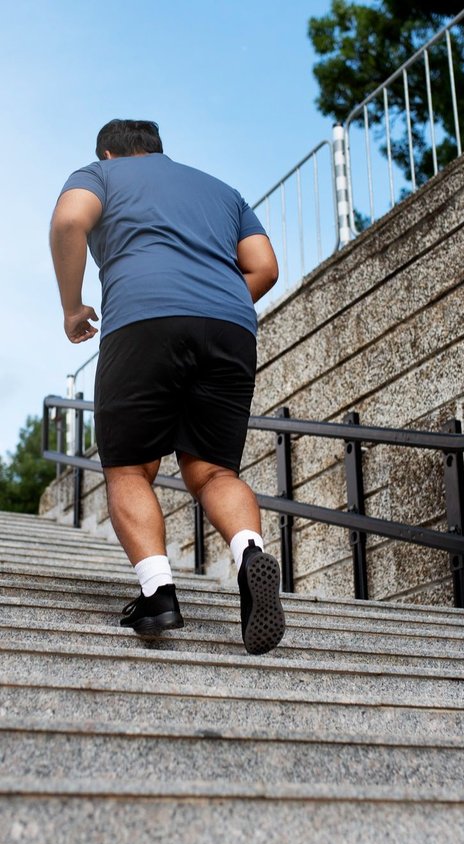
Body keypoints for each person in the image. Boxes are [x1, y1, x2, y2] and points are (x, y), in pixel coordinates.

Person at [50, 118, 285, 655]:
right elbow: (266, 268)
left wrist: (72, 309)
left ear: (109, 153)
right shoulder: (223, 193)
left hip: (142, 319)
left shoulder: (100, 175)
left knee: (130, 467)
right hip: (229, 326)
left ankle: (159, 596)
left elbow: (69, 221)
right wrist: (213, 301)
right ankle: (250, 554)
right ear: (158, 150)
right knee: (213, 470)